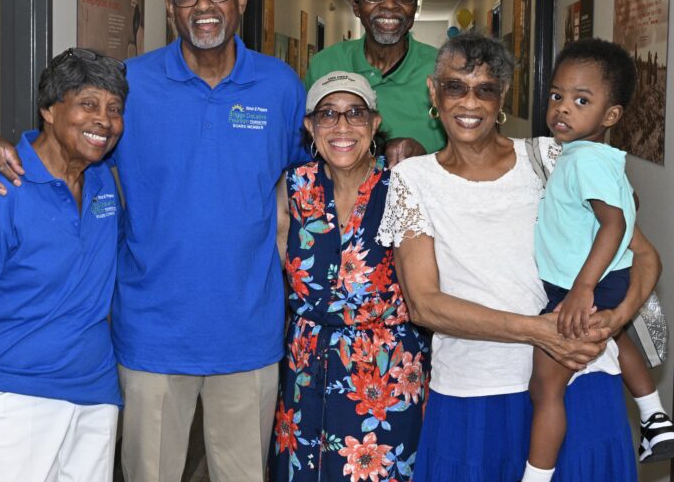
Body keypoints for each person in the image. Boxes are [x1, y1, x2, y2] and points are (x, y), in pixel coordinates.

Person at [0, 0, 308, 482]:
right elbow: (66, 146)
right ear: (170, 9)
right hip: (150, 333)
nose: (204, 4)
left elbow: (301, 184)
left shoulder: (281, 86)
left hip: (248, 332)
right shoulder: (130, 85)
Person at [376, 32, 661, 481]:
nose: (470, 103)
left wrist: (615, 318)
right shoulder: (413, 180)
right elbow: (424, 304)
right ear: (433, 92)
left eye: (485, 88)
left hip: (579, 380)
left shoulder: (551, 156)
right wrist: (539, 331)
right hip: (475, 389)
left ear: (502, 96)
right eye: (455, 87)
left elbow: (641, 255)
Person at [0, 48, 128, 482]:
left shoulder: (102, 180)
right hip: (11, 401)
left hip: (94, 395)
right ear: (49, 110)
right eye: (88, 104)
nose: (105, 121)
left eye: (114, 109)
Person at [268, 72, 430, 482]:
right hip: (307, 369)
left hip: (386, 376)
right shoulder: (293, 188)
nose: (342, 127)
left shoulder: (402, 187)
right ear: (310, 127)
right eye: (328, 115)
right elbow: (273, 277)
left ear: (375, 124)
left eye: (355, 114)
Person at [526, 38, 674, 480]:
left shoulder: (585, 161)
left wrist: (582, 288)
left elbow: (614, 226)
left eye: (581, 100)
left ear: (610, 116)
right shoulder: (588, 157)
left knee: (546, 388)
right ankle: (654, 416)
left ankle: (536, 475)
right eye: (557, 96)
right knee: (617, 337)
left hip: (581, 286)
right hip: (600, 281)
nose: (562, 109)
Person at [305, 0, 445, 166]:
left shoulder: (441, 69)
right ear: (356, 5)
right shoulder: (325, 65)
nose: (390, 4)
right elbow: (305, 144)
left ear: (415, 4)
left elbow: (470, 154)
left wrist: (427, 159)